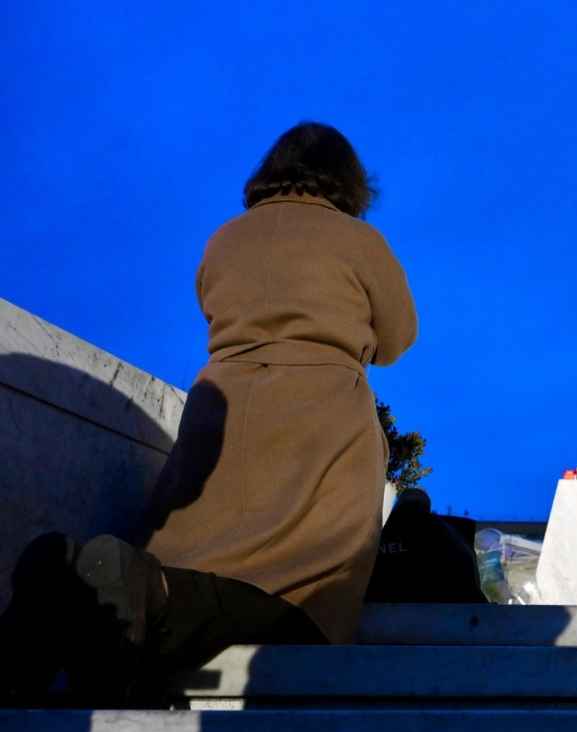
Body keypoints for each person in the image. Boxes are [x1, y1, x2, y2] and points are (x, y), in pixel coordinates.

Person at [1, 121, 417, 701]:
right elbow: (400, 336)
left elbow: (210, 306)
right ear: (349, 181)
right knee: (298, 588)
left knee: (197, 546)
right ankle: (149, 590)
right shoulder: (358, 242)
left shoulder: (225, 240)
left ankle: (73, 578)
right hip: (321, 418)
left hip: (220, 411)